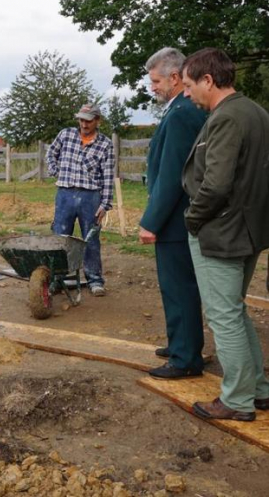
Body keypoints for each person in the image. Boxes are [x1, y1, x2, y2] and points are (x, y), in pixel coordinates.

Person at [181, 48, 269, 421]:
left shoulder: (227, 118)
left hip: (223, 232)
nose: (186, 93)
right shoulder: (257, 112)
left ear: (208, 80)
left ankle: (236, 400)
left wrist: (193, 219)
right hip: (249, 229)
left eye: (188, 85)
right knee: (235, 312)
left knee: (224, 316)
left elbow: (216, 185)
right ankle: (259, 390)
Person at [139, 48, 208, 379]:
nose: (152, 87)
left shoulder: (181, 113)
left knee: (179, 286)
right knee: (178, 286)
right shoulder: (179, 109)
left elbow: (172, 175)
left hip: (176, 219)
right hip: (178, 217)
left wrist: (151, 220)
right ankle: (181, 342)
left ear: (176, 78)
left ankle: (185, 358)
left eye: (156, 81)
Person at [46, 103, 115, 295]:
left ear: (97, 121)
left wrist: (105, 204)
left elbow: (108, 176)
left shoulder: (105, 144)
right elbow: (51, 153)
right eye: (82, 120)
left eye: (89, 121)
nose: (84, 124)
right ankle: (56, 279)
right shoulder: (66, 135)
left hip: (90, 196)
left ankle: (95, 280)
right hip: (65, 194)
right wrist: (55, 170)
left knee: (90, 239)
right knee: (60, 238)